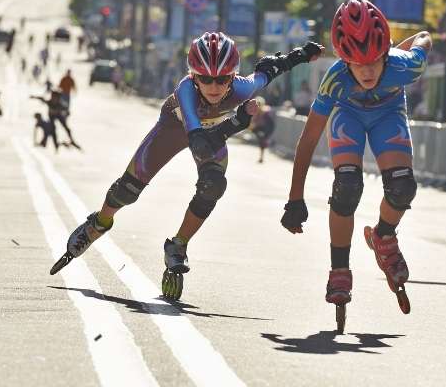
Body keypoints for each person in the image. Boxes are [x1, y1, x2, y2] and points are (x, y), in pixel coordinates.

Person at [48, 31, 323, 295]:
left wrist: (302, 54)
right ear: (193, 75)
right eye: (205, 78)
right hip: (176, 130)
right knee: (128, 190)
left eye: (222, 79)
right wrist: (237, 122)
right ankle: (99, 222)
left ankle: (178, 245)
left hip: (210, 134)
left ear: (233, 75)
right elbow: (198, 140)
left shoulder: (243, 87)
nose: (214, 86)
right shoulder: (186, 90)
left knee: (213, 185)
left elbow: (271, 68)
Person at [281, 0, 430, 316]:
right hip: (348, 115)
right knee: (347, 187)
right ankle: (339, 271)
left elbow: (425, 37)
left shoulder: (406, 65)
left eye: (375, 61)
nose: (367, 71)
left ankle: (384, 237)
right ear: (343, 59)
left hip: (388, 115)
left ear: (386, 52)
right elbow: (308, 140)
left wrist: (405, 47)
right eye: (357, 63)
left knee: (403, 187)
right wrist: (295, 198)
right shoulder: (335, 79)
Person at [250, 96, 274, 163]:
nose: (258, 106)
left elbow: (270, 124)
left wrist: (267, 133)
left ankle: (261, 157)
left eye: (259, 104)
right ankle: (261, 156)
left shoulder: (266, 112)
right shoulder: (255, 111)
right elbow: (253, 122)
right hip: (258, 129)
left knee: (262, 141)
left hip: (265, 129)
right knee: (261, 141)